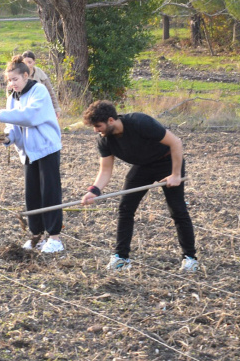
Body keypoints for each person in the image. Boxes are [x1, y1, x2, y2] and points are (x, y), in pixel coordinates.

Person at [80, 101, 198, 272]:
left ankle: (190, 258)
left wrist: (176, 175)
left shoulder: (140, 122)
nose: (96, 130)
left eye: (98, 126)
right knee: (125, 208)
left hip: (167, 162)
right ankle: (121, 257)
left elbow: (176, 143)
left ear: (111, 120)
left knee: (177, 210)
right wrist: (94, 191)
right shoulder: (105, 140)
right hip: (143, 166)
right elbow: (105, 170)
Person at [0, 55, 64, 253]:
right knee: (32, 195)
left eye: (15, 79)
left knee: (50, 193)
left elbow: (30, 117)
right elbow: (14, 128)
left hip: (45, 148)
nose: (12, 84)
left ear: (26, 76)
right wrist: (5, 139)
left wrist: (0, 114)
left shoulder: (39, 91)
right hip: (28, 152)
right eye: (9, 80)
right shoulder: (12, 98)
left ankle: (55, 238)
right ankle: (36, 236)